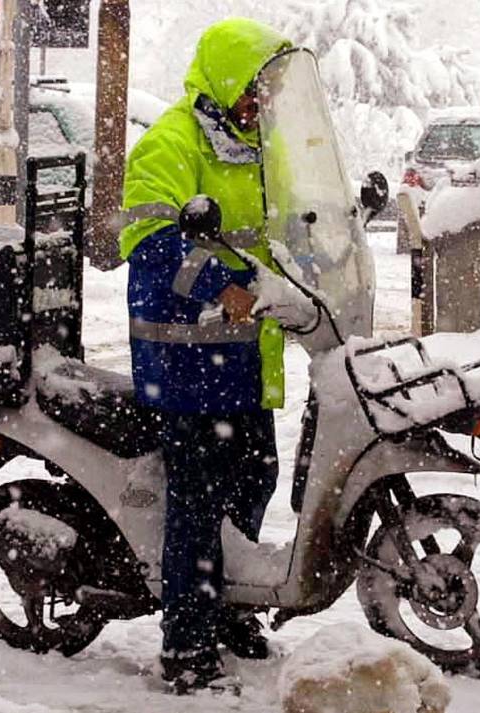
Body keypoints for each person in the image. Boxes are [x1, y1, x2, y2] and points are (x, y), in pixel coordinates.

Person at [117, 17, 294, 694]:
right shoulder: (172, 141)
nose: (261, 101)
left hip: (245, 354)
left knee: (256, 477)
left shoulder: (257, 146)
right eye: (254, 88)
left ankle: (229, 606)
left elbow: (283, 225)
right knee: (197, 500)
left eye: (267, 90)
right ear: (225, 81)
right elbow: (149, 241)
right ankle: (186, 643)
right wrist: (221, 284)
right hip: (188, 359)